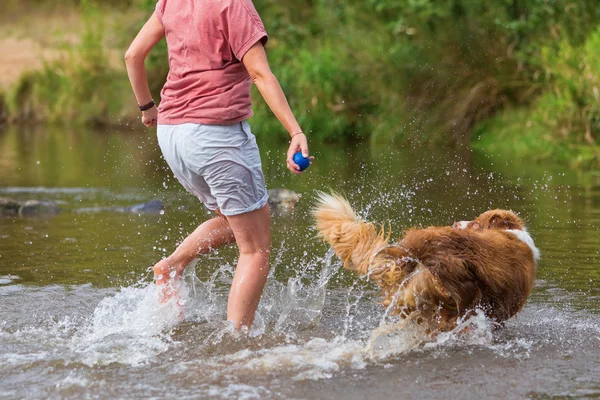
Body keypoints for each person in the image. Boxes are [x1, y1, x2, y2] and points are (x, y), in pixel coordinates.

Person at [124, 0, 311, 330]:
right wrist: (295, 130)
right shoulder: (233, 4)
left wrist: (147, 107)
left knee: (237, 220)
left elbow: (133, 55)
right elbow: (259, 73)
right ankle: (235, 345)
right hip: (215, 135)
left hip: (171, 134)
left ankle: (172, 266)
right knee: (255, 249)